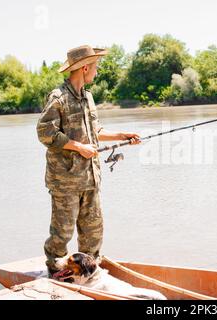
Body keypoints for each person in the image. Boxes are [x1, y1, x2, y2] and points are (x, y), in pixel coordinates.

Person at [36, 45, 140, 276]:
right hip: (65, 181)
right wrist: (79, 147)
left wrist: (123, 135)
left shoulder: (88, 97)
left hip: (91, 178)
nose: (97, 71)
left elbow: (95, 131)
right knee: (62, 234)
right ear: (85, 68)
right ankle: (55, 272)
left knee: (93, 230)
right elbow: (45, 132)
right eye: (95, 67)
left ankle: (90, 272)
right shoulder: (59, 98)